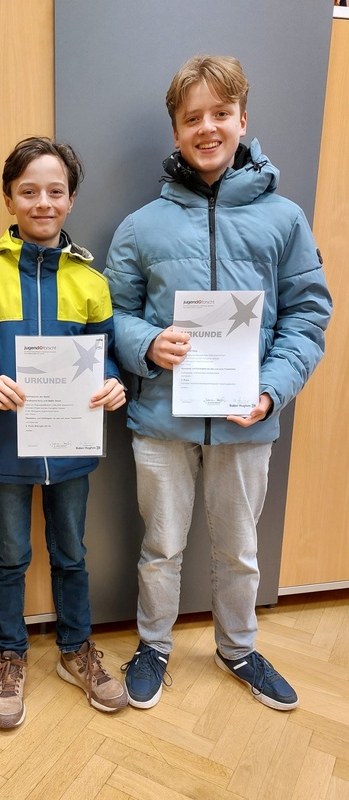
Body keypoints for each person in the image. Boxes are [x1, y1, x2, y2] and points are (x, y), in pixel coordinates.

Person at [104, 55, 332, 712]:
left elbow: (308, 314)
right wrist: (147, 344)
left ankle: (238, 648)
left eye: (220, 114)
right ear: (176, 130)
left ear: (242, 120)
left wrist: (271, 390)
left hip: (246, 419)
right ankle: (153, 646)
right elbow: (109, 314)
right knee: (160, 547)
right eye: (192, 117)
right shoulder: (141, 226)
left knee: (239, 550)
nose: (207, 127)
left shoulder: (285, 219)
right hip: (161, 420)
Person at [0, 137, 128, 728]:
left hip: (71, 451)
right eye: (29, 191)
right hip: (6, 451)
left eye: (55, 191)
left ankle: (76, 650)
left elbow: (106, 356)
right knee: (11, 557)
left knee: (72, 554)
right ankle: (9, 656)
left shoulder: (91, 282)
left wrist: (114, 382)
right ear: (9, 198)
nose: (42, 202)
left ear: (71, 200)